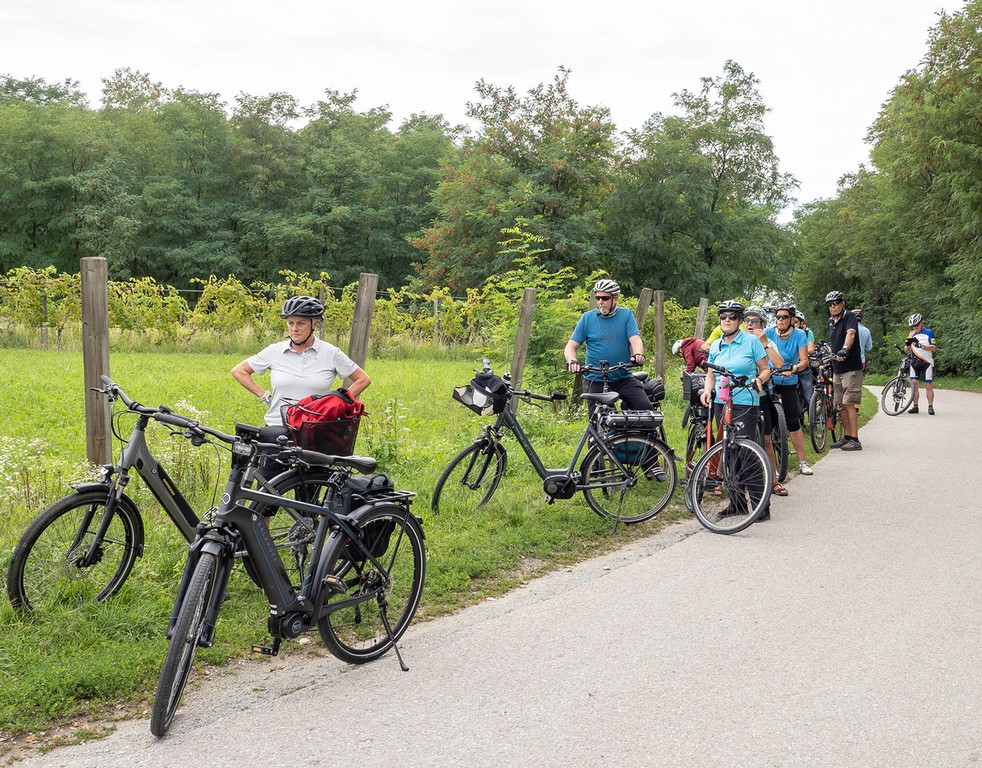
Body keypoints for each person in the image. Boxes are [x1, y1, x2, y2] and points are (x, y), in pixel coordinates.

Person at [231, 295, 372, 445]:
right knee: (267, 467)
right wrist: (264, 395)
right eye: (290, 323)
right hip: (278, 427)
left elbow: (363, 379)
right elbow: (239, 371)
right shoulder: (275, 351)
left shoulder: (330, 353)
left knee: (317, 469)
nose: (294, 329)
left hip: (315, 429)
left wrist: (338, 402)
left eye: (301, 323)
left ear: (314, 324)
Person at [700, 300, 773, 519]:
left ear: (739, 321)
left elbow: (765, 369)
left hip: (745, 401)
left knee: (745, 451)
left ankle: (761, 506)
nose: (728, 321)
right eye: (724, 318)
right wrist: (706, 391)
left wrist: (759, 380)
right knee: (729, 451)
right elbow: (711, 374)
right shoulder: (716, 345)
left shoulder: (751, 342)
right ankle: (737, 503)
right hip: (722, 402)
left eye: (732, 317)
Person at [565, 279, 649, 412]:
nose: (600, 302)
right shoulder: (587, 318)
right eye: (597, 298)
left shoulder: (626, 315)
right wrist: (572, 361)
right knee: (602, 419)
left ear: (615, 299)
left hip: (623, 377)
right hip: (595, 379)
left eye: (605, 298)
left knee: (645, 408)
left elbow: (635, 339)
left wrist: (638, 354)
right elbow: (570, 347)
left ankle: (642, 432)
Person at [743, 306, 789, 495]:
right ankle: (721, 476)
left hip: (761, 396)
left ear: (762, 324)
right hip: (740, 397)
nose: (750, 324)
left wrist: (764, 343)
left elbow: (778, 364)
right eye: (747, 321)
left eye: (755, 321)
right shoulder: (740, 340)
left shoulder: (767, 341)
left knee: (767, 440)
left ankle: (773, 481)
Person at [764, 303, 813, 476]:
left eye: (784, 317)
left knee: (793, 421)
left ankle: (803, 461)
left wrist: (794, 368)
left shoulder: (799, 334)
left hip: (789, 379)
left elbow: (804, 360)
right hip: (770, 379)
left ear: (792, 319)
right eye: (778, 317)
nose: (780, 320)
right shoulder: (769, 332)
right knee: (766, 422)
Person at [826, 290, 863, 450]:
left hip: (850, 368)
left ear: (842, 304)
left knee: (850, 403)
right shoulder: (831, 321)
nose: (832, 307)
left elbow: (851, 334)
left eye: (835, 303)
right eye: (830, 304)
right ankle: (846, 437)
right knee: (840, 403)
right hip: (837, 367)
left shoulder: (849, 317)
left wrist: (845, 349)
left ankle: (855, 439)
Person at [905, 313, 937, 415]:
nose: (915, 327)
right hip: (914, 362)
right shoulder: (911, 334)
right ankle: (915, 406)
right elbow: (906, 350)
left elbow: (933, 347)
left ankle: (930, 406)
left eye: (917, 325)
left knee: (928, 385)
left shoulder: (929, 332)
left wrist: (923, 346)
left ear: (921, 323)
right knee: (914, 384)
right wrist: (908, 345)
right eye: (913, 326)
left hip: (926, 362)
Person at [793, 310, 816, 415]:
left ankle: (813, 419)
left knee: (808, 394)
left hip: (803, 369)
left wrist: (800, 351)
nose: (793, 324)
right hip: (790, 369)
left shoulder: (807, 333)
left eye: (796, 321)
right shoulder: (786, 334)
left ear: (802, 323)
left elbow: (811, 349)